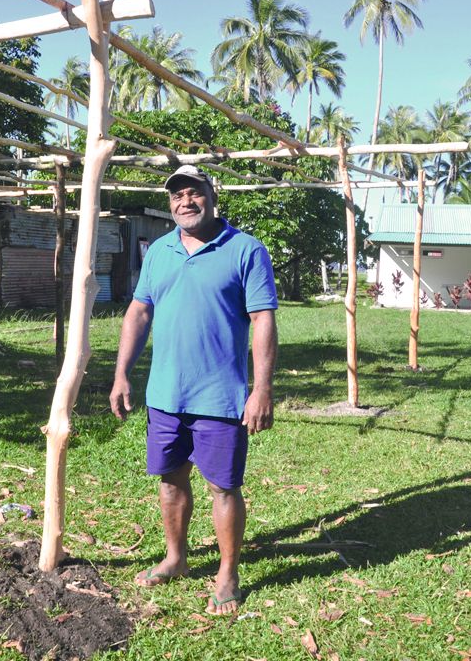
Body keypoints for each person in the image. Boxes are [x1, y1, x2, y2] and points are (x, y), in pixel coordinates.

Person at [109, 164, 278, 616]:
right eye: (177, 195)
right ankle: (176, 557)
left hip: (221, 397)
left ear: (212, 194)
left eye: (194, 192)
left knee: (223, 486)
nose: (185, 201)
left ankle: (227, 573)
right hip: (165, 394)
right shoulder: (160, 250)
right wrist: (122, 372)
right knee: (170, 480)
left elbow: (263, 319)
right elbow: (139, 311)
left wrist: (261, 388)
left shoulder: (246, 250)